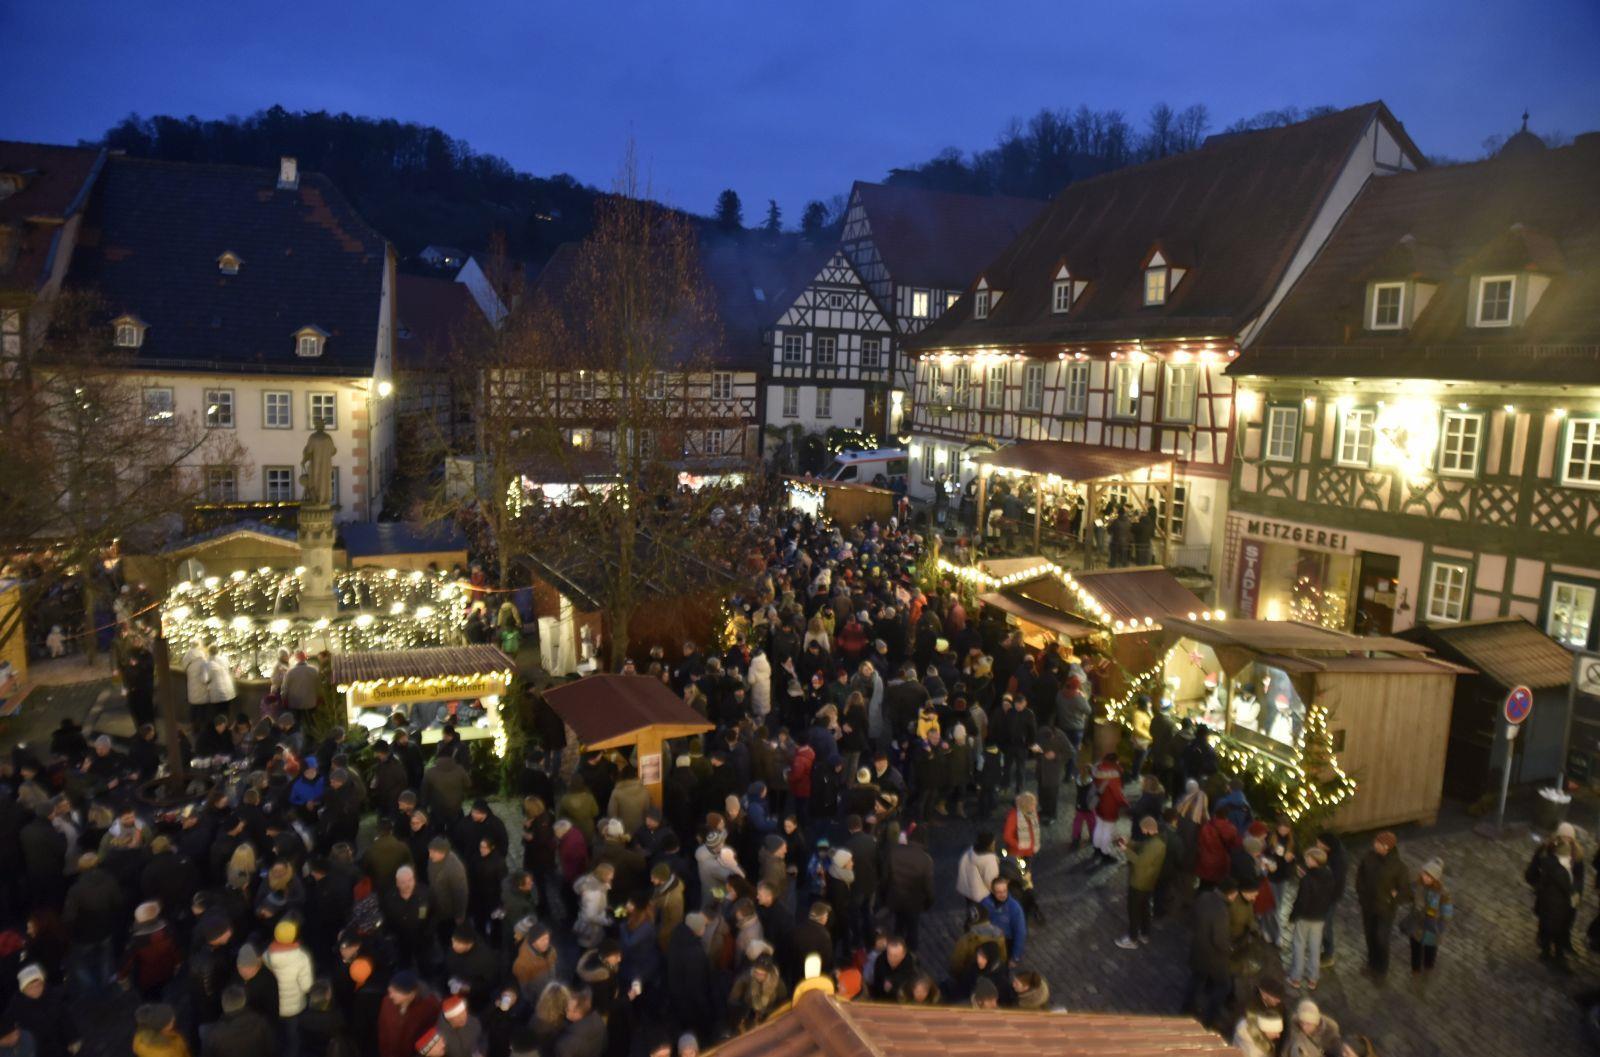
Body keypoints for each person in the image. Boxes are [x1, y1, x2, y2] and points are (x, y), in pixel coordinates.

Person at [1529, 823, 1584, 971]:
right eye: (1563, 836)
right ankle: (1546, 951)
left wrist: (1576, 894)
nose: (1566, 840)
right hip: (1548, 901)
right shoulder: (1545, 853)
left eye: (1569, 837)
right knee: (1547, 927)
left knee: (1562, 929)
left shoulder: (1576, 855)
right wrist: (1540, 886)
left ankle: (1558, 954)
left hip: (1566, 903)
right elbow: (1531, 873)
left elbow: (1579, 878)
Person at [1354, 830, 1408, 977]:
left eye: (1378, 843)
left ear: (1386, 847)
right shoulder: (1369, 857)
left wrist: (1393, 898)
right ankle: (1371, 963)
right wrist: (1361, 894)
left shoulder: (1398, 866)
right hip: (1368, 906)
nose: (1375, 845)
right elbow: (1360, 877)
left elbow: (1405, 891)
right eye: (1375, 842)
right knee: (1370, 935)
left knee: (1381, 938)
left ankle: (1381, 967)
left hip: (1385, 909)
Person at [1286, 847, 1335, 991]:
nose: (1306, 860)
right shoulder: (1329, 875)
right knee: (1315, 948)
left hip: (1305, 917)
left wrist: (1293, 916)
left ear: (1314, 861)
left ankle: (1296, 978)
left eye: (1308, 858)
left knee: (1299, 945)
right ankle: (1313, 978)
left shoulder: (1307, 879)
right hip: (1320, 917)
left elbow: (1302, 901)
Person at [1115, 816, 1165, 949]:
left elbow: (1140, 862)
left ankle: (1132, 938)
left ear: (1148, 829)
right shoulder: (1155, 840)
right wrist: (1128, 842)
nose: (1142, 831)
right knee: (1144, 909)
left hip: (1139, 882)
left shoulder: (1155, 845)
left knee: (1134, 910)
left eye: (1143, 829)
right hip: (1147, 883)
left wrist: (1125, 850)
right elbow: (1141, 846)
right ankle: (1144, 933)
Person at [1403, 858, 1452, 976]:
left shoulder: (1443, 893)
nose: (1425, 878)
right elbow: (1407, 895)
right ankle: (1415, 969)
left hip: (1432, 927)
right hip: (1417, 924)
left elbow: (1447, 913)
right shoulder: (1417, 885)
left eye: (1429, 876)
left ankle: (1428, 967)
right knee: (1415, 949)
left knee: (1430, 950)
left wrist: (1439, 928)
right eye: (1424, 874)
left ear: (1435, 878)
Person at [979, 877, 1025, 967]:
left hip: (1006, 944)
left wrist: (1015, 957)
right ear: (992, 891)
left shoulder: (1014, 908)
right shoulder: (985, 904)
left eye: (1005, 891)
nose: (1003, 894)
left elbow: (1020, 933)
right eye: (999, 892)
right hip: (988, 941)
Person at [954, 833, 1000, 923]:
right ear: (989, 844)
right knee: (983, 920)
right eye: (993, 843)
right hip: (982, 897)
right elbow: (992, 881)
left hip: (968, 893)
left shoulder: (969, 852)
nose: (994, 844)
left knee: (973, 915)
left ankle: (969, 930)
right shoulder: (989, 860)